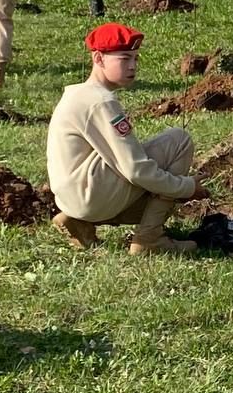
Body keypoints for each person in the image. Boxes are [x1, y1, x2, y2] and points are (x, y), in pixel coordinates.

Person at [47, 23, 206, 255]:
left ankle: (79, 222)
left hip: (70, 198)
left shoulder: (79, 94)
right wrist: (187, 187)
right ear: (99, 59)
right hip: (90, 197)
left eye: (135, 59)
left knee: (154, 175)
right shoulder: (101, 102)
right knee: (178, 141)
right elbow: (135, 170)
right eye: (124, 59)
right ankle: (150, 239)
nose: (132, 66)